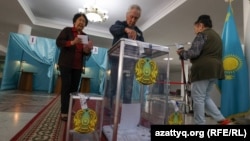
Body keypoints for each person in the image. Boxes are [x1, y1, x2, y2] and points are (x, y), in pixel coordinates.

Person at [176, 15, 232, 125]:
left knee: (198, 98)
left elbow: (193, 52)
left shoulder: (202, 35)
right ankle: (222, 120)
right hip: (216, 70)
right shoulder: (217, 37)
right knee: (204, 97)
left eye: (195, 28)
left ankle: (200, 123)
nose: (195, 32)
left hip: (203, 70)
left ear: (200, 25)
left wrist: (182, 53)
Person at [56, 13, 93, 121]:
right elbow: (59, 42)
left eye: (84, 21)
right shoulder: (67, 30)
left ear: (85, 25)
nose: (81, 22)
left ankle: (69, 109)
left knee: (74, 89)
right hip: (66, 64)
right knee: (66, 87)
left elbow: (85, 54)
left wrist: (88, 50)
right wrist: (72, 42)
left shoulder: (85, 36)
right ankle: (64, 112)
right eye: (80, 20)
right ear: (74, 22)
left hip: (78, 66)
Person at [108, 4, 144, 106]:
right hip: (116, 63)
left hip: (130, 65)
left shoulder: (139, 32)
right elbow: (112, 28)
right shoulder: (119, 24)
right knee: (112, 88)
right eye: (131, 16)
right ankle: (110, 111)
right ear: (126, 15)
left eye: (136, 18)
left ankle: (126, 114)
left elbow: (142, 46)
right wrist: (126, 29)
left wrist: (137, 36)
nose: (133, 20)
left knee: (128, 90)